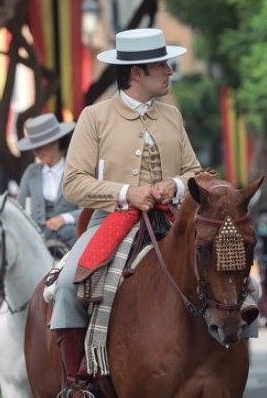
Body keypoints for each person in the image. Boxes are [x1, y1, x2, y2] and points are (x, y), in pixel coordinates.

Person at [49, 28, 204, 398]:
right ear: (137, 73)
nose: (170, 70)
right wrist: (125, 193)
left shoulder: (172, 116)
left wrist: (177, 186)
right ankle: (77, 382)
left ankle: (224, 352)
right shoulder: (95, 116)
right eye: (162, 64)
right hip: (113, 219)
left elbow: (195, 172)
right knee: (69, 282)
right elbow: (74, 183)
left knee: (224, 263)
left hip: (173, 219)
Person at [16, 113, 81, 251]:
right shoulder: (31, 172)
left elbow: (88, 209)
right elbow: (19, 207)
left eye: (39, 147)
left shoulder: (76, 169)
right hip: (37, 237)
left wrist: (65, 218)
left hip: (70, 236)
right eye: (33, 148)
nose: (35, 153)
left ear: (55, 143)